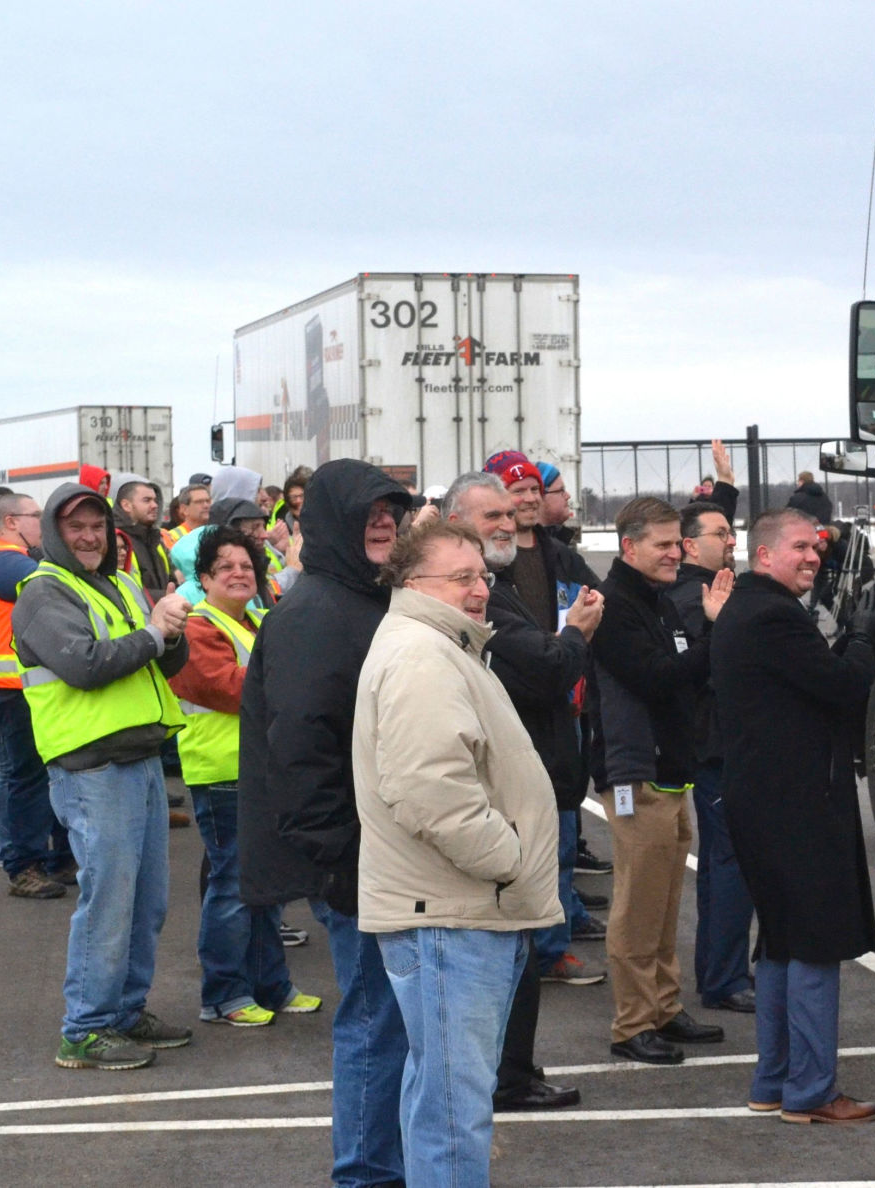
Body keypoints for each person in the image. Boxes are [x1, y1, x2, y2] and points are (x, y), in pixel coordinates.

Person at [355, 519, 562, 1188]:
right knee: (452, 1112)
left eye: (483, 577)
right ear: (414, 584)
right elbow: (429, 792)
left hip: (455, 910)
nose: (480, 591)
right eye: (462, 578)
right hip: (452, 914)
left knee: (438, 1097)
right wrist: (509, 857)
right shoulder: (423, 653)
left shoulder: (441, 645)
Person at [239, 458, 412, 1188]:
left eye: (391, 510)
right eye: (367, 510)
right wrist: (337, 861)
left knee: (392, 1022)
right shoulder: (316, 612)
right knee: (375, 1023)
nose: (384, 520)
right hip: (355, 861)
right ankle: (367, 1176)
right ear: (331, 521)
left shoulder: (365, 598)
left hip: (382, 854)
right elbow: (301, 747)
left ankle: (384, 1167)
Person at [710, 508, 875, 1124]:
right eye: (799, 548)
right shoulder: (770, 615)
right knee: (814, 941)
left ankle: (774, 1082)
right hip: (793, 805)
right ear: (764, 555)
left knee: (783, 942)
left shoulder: (751, 609)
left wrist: (847, 633)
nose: (813, 557)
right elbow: (843, 685)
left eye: (816, 548)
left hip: (764, 800)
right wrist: (868, 635)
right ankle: (812, 1092)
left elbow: (808, 680)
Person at [11, 482, 195, 1070]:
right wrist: (153, 632)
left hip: (136, 759)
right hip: (91, 767)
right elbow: (86, 666)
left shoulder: (115, 583)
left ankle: (121, 1013)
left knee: (146, 900)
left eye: (96, 526)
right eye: (75, 528)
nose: (89, 537)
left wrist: (172, 630)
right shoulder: (43, 594)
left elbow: (164, 662)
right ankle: (85, 1029)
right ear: (53, 534)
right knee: (110, 901)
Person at [444, 470, 601, 1112]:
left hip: (535, 782)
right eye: (491, 517)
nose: (507, 524)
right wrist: (575, 635)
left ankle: (514, 1072)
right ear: (457, 524)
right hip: (502, 797)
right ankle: (505, 1079)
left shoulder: (501, 585)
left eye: (509, 515)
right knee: (514, 944)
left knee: (525, 939)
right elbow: (542, 669)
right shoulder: (481, 599)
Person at [590, 495, 732, 1064]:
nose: (677, 554)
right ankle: (632, 1025)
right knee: (636, 905)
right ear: (630, 547)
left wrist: (705, 644)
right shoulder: (615, 605)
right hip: (634, 774)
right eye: (665, 545)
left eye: (679, 543)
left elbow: (683, 676)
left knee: (666, 901)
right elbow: (655, 677)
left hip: (671, 775)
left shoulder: (657, 601)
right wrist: (713, 638)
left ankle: (665, 1008)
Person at [167, 525, 321, 1027]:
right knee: (233, 886)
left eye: (247, 566)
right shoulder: (198, 626)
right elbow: (230, 688)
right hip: (222, 775)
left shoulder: (258, 620)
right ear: (204, 578)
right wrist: (295, 684)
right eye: (226, 567)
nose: (239, 573)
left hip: (261, 771)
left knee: (264, 886)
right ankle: (224, 994)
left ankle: (271, 986)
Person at [486, 450, 613, 883]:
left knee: (564, 810)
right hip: (514, 703)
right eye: (516, 490)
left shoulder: (560, 556)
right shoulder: (488, 564)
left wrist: (590, 612)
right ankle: (542, 935)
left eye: (533, 490)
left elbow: (599, 601)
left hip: (566, 699)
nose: (527, 499)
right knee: (523, 825)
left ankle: (562, 922)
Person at [667, 499, 756, 1014]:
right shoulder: (691, 596)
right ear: (689, 543)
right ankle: (723, 977)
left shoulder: (712, 589)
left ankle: (720, 970)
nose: (730, 540)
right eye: (719, 533)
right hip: (715, 745)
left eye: (730, 531)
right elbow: (701, 669)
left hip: (723, 742)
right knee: (729, 862)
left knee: (725, 863)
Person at [0, 489, 73, 898]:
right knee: (24, 777)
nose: (42, 522)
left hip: (17, 689)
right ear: (11, 523)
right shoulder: (4, 561)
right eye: (35, 515)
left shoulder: (14, 560)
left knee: (33, 774)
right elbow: (52, 589)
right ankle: (23, 865)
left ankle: (56, 859)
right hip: (6, 692)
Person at [111, 473, 173, 600]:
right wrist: (168, 597)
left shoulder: (155, 539)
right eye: (147, 500)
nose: (155, 505)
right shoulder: (115, 540)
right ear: (126, 505)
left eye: (155, 500)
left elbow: (170, 580)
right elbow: (123, 590)